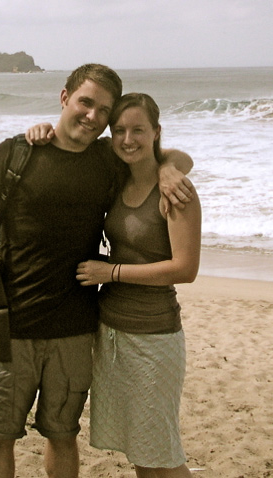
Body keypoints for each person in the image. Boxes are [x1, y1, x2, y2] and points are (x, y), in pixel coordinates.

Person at [0, 64, 193, 478]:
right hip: (10, 323)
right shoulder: (15, 153)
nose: (92, 116)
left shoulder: (106, 159)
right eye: (86, 102)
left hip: (76, 328)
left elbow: (155, 154)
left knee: (63, 434)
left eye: (103, 110)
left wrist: (169, 168)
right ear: (64, 97)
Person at [76, 93, 202, 477]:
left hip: (154, 335)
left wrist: (111, 272)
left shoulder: (176, 192)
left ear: (156, 132)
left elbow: (185, 269)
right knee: (139, 450)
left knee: (161, 453)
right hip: (112, 333)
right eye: (119, 131)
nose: (128, 139)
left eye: (138, 130)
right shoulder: (118, 180)